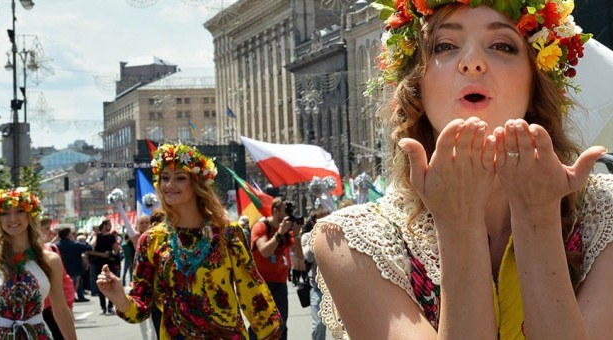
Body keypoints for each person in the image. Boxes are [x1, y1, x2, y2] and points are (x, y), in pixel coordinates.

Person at [311, 0, 613, 339]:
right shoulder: (352, 240)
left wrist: (537, 217)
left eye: (501, 45)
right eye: (445, 46)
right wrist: (458, 221)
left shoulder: (605, 213)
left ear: (536, 81)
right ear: (416, 87)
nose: (472, 63)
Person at [96, 143, 283, 338]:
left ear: (196, 183)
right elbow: (141, 309)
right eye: (165, 178)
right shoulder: (151, 240)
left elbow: (252, 292)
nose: (169, 185)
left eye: (180, 178)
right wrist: (119, 298)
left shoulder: (228, 234)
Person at [0, 188, 76, 340]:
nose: (12, 218)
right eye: (5, 213)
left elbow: (61, 310)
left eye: (20, 211)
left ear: (30, 215)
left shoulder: (50, 260)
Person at [249, 197, 302, 339]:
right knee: (260, 324)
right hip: (260, 282)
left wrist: (297, 235)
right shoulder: (261, 227)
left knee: (281, 324)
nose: (288, 214)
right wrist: (279, 233)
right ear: (275, 210)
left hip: (279, 281)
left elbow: (300, 255)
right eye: (285, 210)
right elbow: (265, 251)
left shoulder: (285, 230)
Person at [39, 219, 76, 340]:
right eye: (47, 229)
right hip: (33, 311)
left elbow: (64, 281)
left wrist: (68, 306)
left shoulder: (52, 250)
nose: (51, 232)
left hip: (52, 309)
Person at [300, 208, 329, 340]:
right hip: (318, 289)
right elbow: (308, 257)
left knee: (345, 328)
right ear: (313, 222)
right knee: (318, 326)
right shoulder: (307, 237)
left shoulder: (335, 235)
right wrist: (317, 236)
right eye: (321, 218)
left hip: (337, 290)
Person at [54, 227, 92, 302]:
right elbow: (88, 247)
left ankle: (72, 297)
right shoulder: (74, 244)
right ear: (68, 235)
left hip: (62, 268)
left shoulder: (56, 245)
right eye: (71, 233)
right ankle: (77, 296)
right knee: (76, 284)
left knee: (65, 285)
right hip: (75, 268)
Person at [89, 219, 119, 314]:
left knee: (111, 283)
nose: (110, 226)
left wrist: (112, 253)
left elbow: (116, 249)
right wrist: (102, 254)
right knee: (101, 284)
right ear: (104, 225)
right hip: (98, 263)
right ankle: (103, 306)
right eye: (109, 225)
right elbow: (90, 249)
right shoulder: (96, 236)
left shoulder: (111, 237)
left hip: (110, 263)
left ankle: (110, 305)